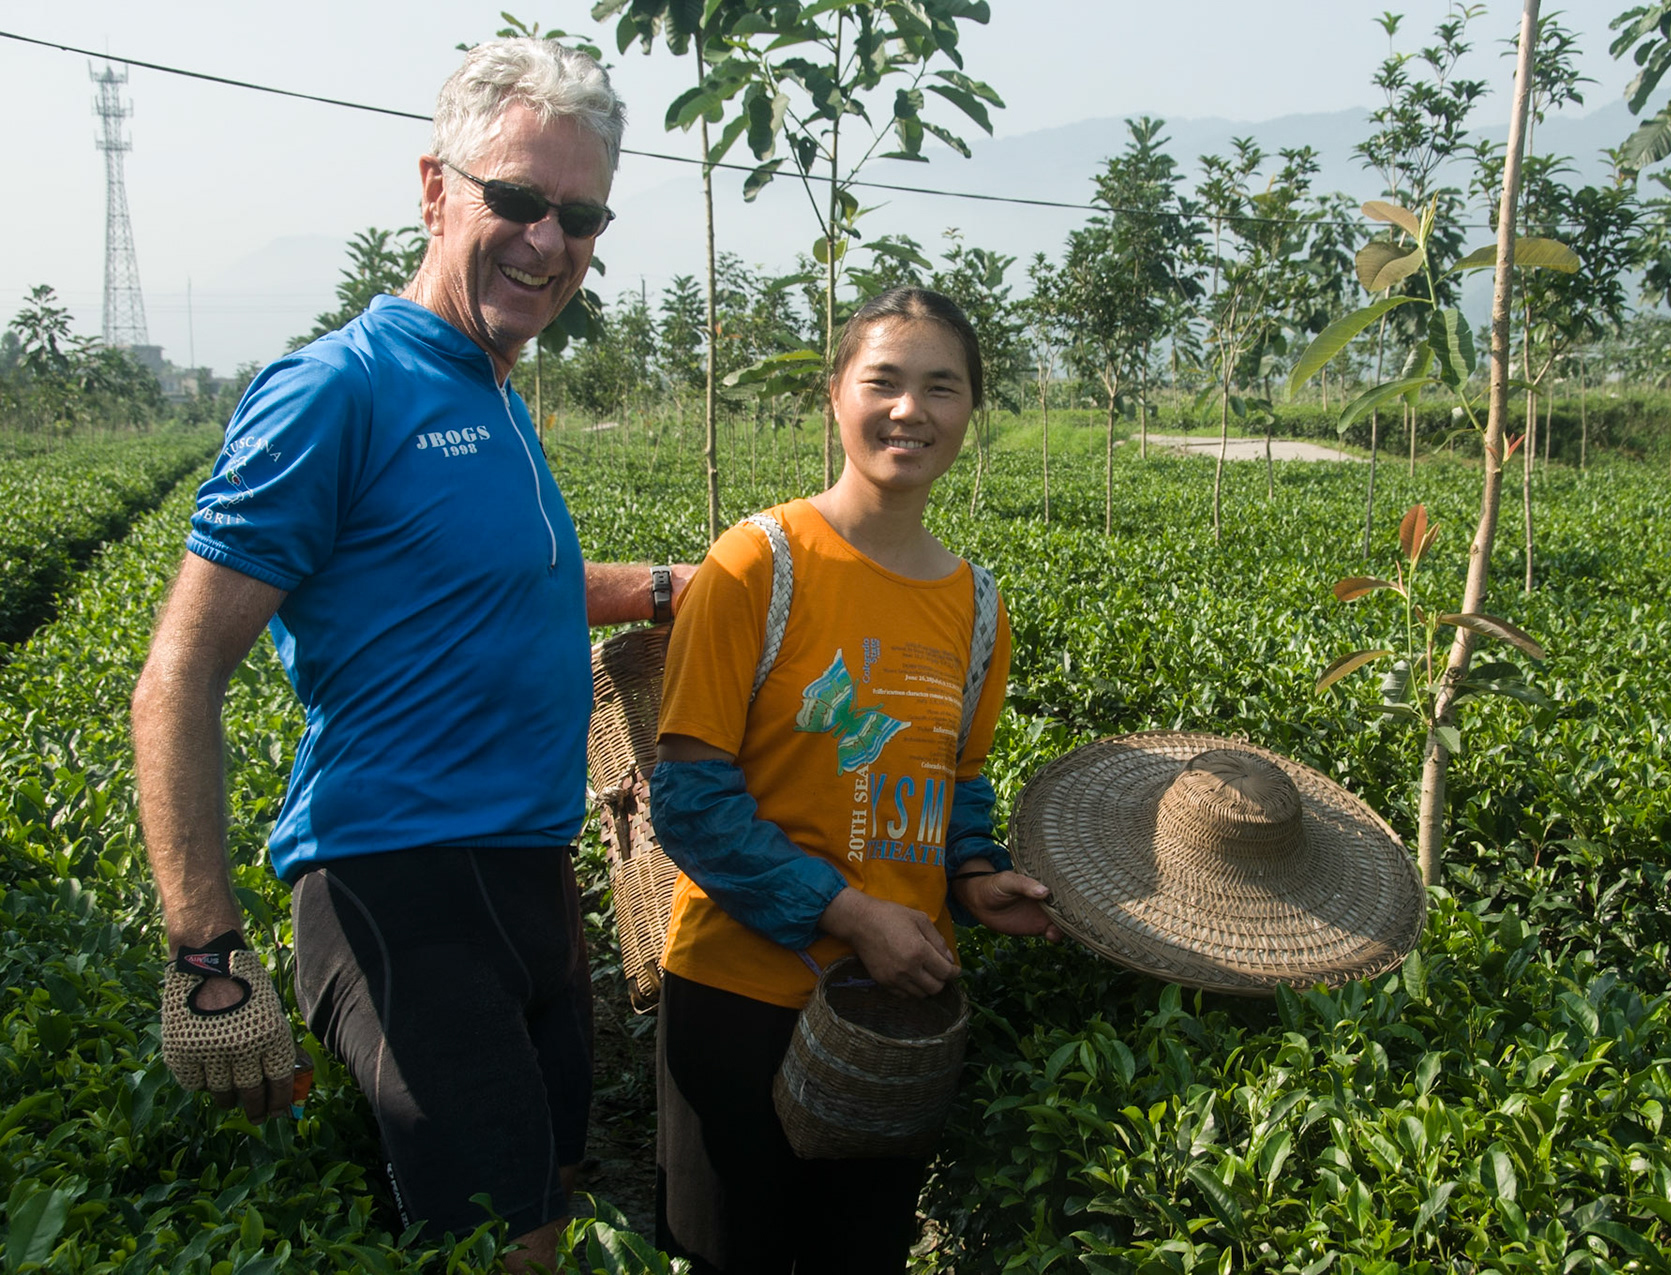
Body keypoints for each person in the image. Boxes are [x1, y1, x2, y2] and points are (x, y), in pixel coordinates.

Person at [130, 38, 687, 1272]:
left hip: (529, 877)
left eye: (581, 215)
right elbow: (178, 674)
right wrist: (207, 955)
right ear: (436, 189)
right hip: (398, 885)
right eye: (519, 201)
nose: (549, 242)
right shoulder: (337, 389)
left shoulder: (495, 391)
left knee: (536, 1213)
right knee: (499, 1247)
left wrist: (662, 590)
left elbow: (491, 585)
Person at [647, 287, 1062, 1274]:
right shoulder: (757, 564)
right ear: (836, 396)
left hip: (894, 1012)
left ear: (972, 412)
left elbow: (957, 777)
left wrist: (972, 874)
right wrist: (847, 914)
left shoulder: (976, 605)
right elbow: (692, 802)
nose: (909, 410)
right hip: (741, 995)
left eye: (941, 387)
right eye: (883, 381)